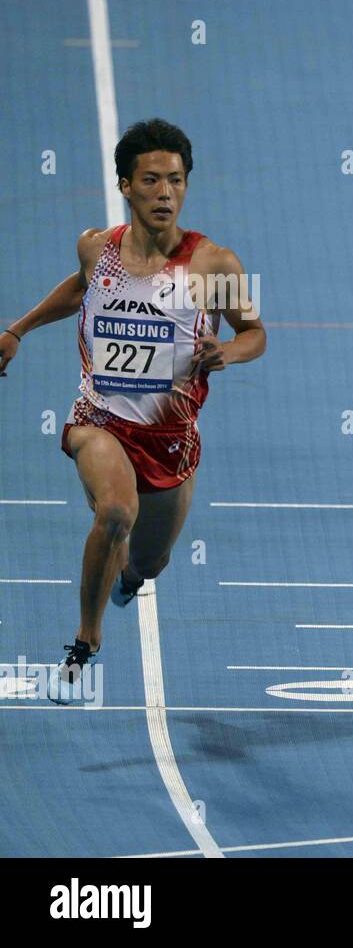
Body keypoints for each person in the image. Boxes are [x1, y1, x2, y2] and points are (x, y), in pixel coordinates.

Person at [0, 119, 266, 703]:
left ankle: (128, 577)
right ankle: (85, 642)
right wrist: (18, 330)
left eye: (176, 180)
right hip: (99, 421)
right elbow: (80, 286)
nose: (165, 192)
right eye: (151, 180)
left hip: (170, 441)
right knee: (116, 511)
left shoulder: (212, 266)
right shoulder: (99, 248)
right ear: (126, 185)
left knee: (149, 561)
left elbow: (255, 333)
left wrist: (227, 352)